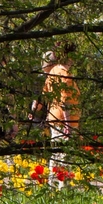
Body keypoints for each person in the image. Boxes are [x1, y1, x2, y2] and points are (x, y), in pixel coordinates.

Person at [31, 47, 80, 187]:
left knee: (56, 152)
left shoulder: (52, 73)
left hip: (54, 117)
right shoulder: (63, 73)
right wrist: (68, 123)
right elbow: (65, 100)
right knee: (64, 153)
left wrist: (34, 110)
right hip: (64, 119)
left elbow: (43, 97)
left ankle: (53, 184)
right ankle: (62, 186)